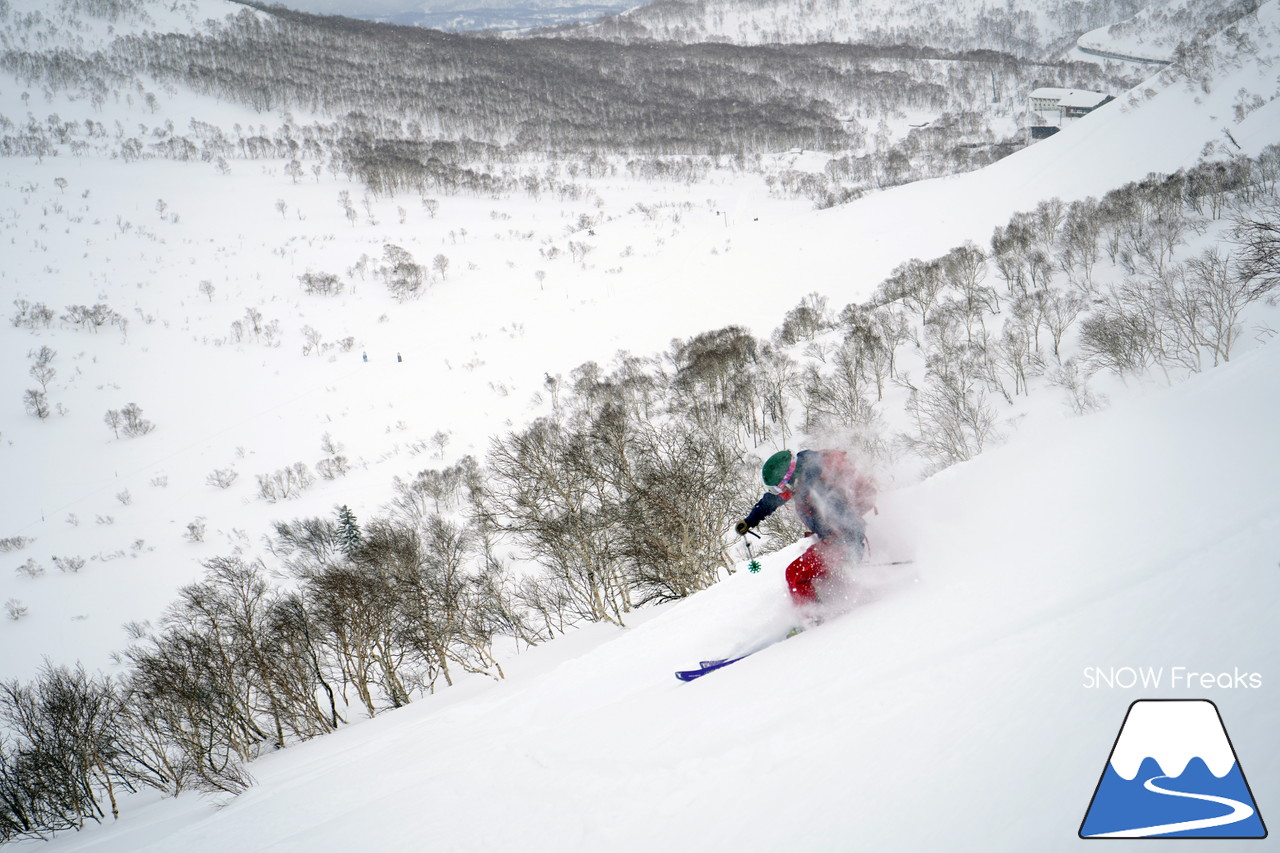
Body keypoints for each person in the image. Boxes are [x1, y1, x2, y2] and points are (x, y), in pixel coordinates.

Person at [735, 449, 877, 613]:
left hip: (843, 543)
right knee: (805, 576)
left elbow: (849, 520)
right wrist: (750, 521)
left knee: (796, 574)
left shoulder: (819, 489)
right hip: (833, 542)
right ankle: (834, 608)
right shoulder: (801, 482)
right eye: (776, 490)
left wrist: (850, 553)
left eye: (779, 488)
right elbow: (770, 501)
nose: (780, 494)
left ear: (790, 480)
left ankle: (814, 618)